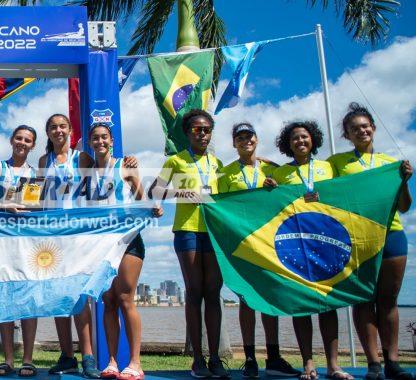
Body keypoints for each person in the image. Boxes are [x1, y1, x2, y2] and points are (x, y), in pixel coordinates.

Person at [327, 103, 414, 380]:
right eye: (355, 129)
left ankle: (392, 362)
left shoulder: (391, 164)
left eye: (366, 126)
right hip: (357, 239)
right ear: (347, 135)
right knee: (363, 300)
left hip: (392, 237)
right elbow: (326, 195)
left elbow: (404, 207)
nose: (362, 131)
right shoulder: (336, 163)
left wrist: (404, 181)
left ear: (373, 129)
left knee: (388, 300)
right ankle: (373, 364)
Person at [216, 123, 301, 379]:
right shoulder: (225, 173)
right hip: (241, 244)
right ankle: (250, 358)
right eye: (239, 138)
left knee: (268, 298)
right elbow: (219, 206)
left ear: (256, 139)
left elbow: (286, 193)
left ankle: (273, 357)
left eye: (249, 137)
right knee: (246, 300)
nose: (245, 141)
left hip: (268, 242)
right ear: (234, 143)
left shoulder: (273, 169)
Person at [271, 121, 351, 380]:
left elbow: (345, 195)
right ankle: (308, 363)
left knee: (328, 305)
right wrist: (271, 187)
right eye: (294, 138)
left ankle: (334, 365)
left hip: (326, 241)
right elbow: (273, 203)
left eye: (304, 137)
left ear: (313, 140)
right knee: (302, 304)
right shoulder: (282, 173)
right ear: (288, 144)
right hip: (295, 243)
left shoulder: (329, 167)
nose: (300, 141)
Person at [82, 124, 163, 380]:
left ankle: (135, 363)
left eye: (104, 137)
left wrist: (153, 207)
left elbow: (141, 197)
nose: (100, 141)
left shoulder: (124, 166)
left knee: (126, 298)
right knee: (108, 302)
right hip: (101, 244)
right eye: (95, 138)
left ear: (111, 140)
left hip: (128, 241)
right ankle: (113, 362)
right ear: (90, 143)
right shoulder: (87, 173)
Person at [152, 109, 228, 379]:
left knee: (213, 293)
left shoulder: (218, 164)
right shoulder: (177, 161)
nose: (202, 133)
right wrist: (184, 193)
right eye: (197, 129)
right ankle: (197, 359)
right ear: (187, 133)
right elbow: (157, 190)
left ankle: (216, 358)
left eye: (207, 129)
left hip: (215, 232)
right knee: (194, 291)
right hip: (187, 231)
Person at [38, 113, 100, 378]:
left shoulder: (82, 158)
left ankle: (87, 356)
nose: (58, 130)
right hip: (52, 238)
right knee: (57, 297)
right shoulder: (43, 161)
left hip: (77, 237)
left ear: (71, 130)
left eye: (63, 126)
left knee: (79, 297)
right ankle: (67, 356)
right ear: (48, 132)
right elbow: (39, 199)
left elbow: (97, 193)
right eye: (53, 127)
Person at [0, 125, 39, 377]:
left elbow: (37, 208)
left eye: (28, 140)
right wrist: (5, 204)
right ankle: (8, 359)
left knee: (28, 299)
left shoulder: (36, 173)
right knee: (4, 298)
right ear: (12, 140)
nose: (22, 143)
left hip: (27, 242)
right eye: (19, 138)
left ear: (32, 145)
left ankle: (28, 359)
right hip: (0, 240)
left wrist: (27, 208)